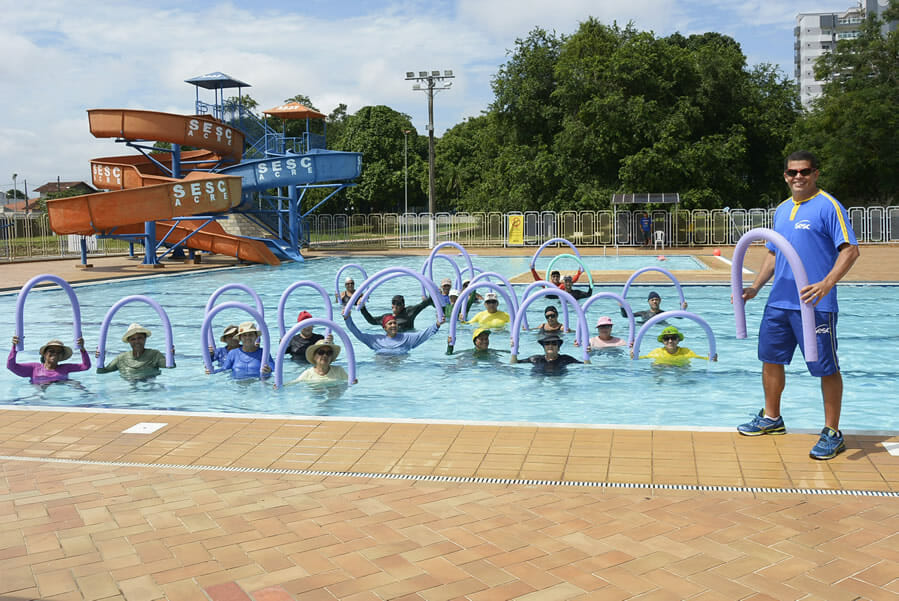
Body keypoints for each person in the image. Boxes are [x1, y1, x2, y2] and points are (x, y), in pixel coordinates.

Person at [737, 150, 859, 461]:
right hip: (779, 302)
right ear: (785, 176)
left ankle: (832, 431)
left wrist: (826, 284)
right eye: (792, 172)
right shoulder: (781, 210)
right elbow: (773, 255)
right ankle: (772, 418)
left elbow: (850, 250)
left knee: (825, 367)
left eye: (804, 171)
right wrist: (754, 287)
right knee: (770, 359)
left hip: (815, 304)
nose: (798, 177)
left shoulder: (828, 206)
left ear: (816, 173)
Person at [97, 323, 174, 380]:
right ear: (129, 341)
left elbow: (170, 366)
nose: (137, 341)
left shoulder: (155, 355)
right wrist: (101, 359)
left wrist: (171, 356)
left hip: (150, 391)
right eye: (133, 339)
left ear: (145, 338)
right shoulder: (121, 359)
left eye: (140, 338)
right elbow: (101, 372)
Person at [345, 312, 441, 355]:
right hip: (381, 369)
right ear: (384, 328)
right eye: (390, 323)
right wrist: (347, 319)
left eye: (395, 323)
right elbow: (358, 334)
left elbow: (424, 335)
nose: (393, 325)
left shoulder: (406, 338)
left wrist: (437, 324)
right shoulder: (376, 340)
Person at [8, 335, 90, 384]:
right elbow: (11, 366)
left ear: (61, 356)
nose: (55, 353)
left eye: (58, 352)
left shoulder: (65, 368)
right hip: (40, 396)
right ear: (44, 354)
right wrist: (14, 347)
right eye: (51, 351)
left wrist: (82, 348)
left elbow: (86, 366)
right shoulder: (34, 368)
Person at [512, 332, 581, 375]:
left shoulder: (565, 359)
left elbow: (586, 365)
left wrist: (586, 352)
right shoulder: (535, 359)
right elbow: (513, 363)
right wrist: (514, 350)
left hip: (558, 378)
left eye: (554, 343)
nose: (550, 346)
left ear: (558, 347)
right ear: (544, 347)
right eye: (547, 343)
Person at [359, 294, 432, 332]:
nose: (395, 306)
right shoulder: (387, 318)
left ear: (403, 306)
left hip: (408, 338)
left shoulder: (409, 312)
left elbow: (423, 305)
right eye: (393, 303)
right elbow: (371, 321)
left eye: (398, 304)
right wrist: (362, 308)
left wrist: (433, 294)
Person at [639, 326, 707, 366]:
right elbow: (640, 358)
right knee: (656, 367)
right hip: (663, 370)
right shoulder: (657, 352)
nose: (670, 341)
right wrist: (633, 355)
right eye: (666, 338)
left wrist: (711, 358)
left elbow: (701, 359)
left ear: (678, 340)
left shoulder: (686, 352)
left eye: (673, 338)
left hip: (680, 370)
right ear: (663, 341)